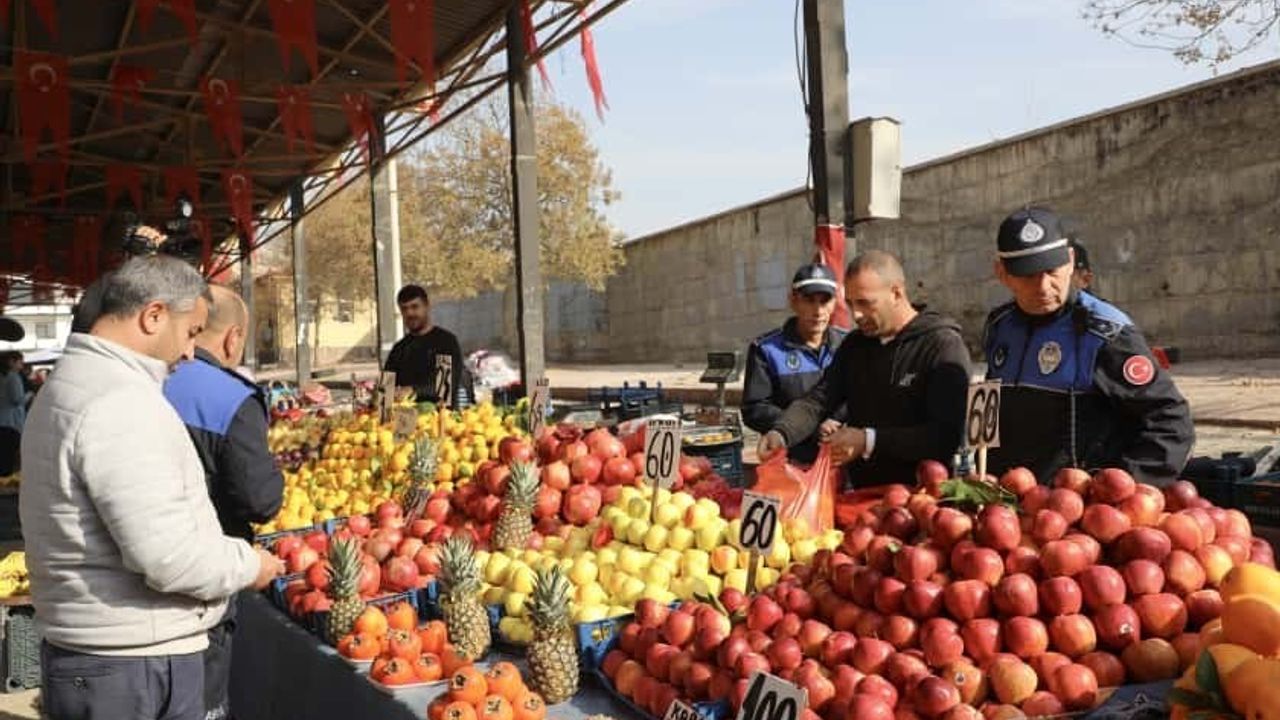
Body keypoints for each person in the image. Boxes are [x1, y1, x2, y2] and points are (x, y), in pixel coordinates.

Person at [19, 255, 284, 720]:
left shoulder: (69, 384)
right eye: (190, 333)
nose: (189, 353)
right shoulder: (117, 401)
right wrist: (249, 564)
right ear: (154, 315)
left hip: (104, 655)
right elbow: (168, 557)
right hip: (132, 663)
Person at [983, 207, 1194, 486]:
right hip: (1008, 506)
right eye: (1028, 275)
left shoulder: (1106, 333)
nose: (1044, 286)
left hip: (1077, 514)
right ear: (1002, 273)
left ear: (1070, 261)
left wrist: (1117, 492)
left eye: (1051, 271)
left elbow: (1171, 423)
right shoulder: (999, 326)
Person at [163, 285, 285, 720]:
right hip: (206, 581)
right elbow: (261, 500)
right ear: (233, 338)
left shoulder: (150, 379)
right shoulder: (230, 397)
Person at [758, 251, 973, 487]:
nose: (856, 315)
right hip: (862, 498)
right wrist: (781, 433)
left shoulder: (942, 346)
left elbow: (947, 435)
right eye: (850, 303)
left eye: (865, 303)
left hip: (923, 503)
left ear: (896, 293)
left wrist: (869, 440)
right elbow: (819, 400)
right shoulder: (855, 346)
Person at [742, 263, 847, 463]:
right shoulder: (766, 349)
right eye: (809, 300)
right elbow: (755, 408)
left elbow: (861, 394)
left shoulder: (849, 345)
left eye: (825, 301)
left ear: (835, 303)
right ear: (793, 301)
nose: (818, 311)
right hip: (792, 461)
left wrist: (837, 421)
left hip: (844, 459)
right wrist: (798, 427)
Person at [384, 284, 466, 407]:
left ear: (427, 306)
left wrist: (413, 390)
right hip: (403, 422)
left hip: (440, 421)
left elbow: (444, 386)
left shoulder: (445, 341)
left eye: (415, 307)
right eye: (404, 309)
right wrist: (378, 396)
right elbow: (385, 389)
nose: (410, 313)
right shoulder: (399, 349)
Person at [0, 351, 26, 475]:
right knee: (9, 459)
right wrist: (30, 396)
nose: (22, 366)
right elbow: (17, 399)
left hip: (2, 422)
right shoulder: (13, 377)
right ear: (11, 362)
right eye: (20, 362)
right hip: (11, 423)